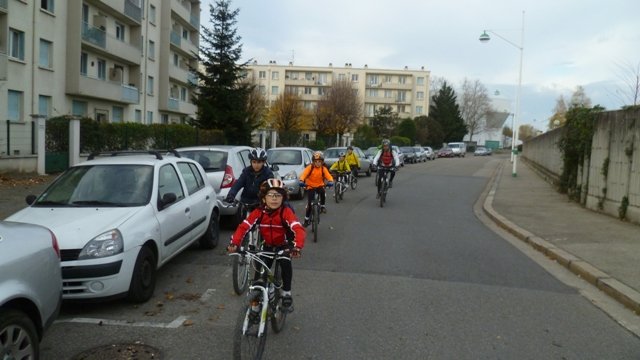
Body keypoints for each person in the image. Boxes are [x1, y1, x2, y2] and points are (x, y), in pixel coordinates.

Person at [227, 178, 305, 311]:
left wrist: (297, 246)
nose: (274, 199)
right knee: (259, 274)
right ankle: (255, 304)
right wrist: (235, 243)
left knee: (285, 263)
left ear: (283, 198)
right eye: (270, 195)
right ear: (263, 199)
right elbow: (243, 227)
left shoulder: (286, 212)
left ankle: (286, 293)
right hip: (267, 245)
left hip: (284, 245)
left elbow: (298, 228)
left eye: (278, 195)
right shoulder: (259, 213)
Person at [299, 151, 334, 227]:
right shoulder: (310, 167)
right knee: (309, 204)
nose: (318, 163)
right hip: (310, 186)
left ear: (322, 162)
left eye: (319, 161)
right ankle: (306, 220)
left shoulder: (323, 169)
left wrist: (331, 181)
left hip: (319, 186)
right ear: (313, 162)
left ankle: (322, 206)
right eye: (316, 161)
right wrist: (301, 180)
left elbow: (328, 176)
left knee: (323, 192)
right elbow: (303, 175)